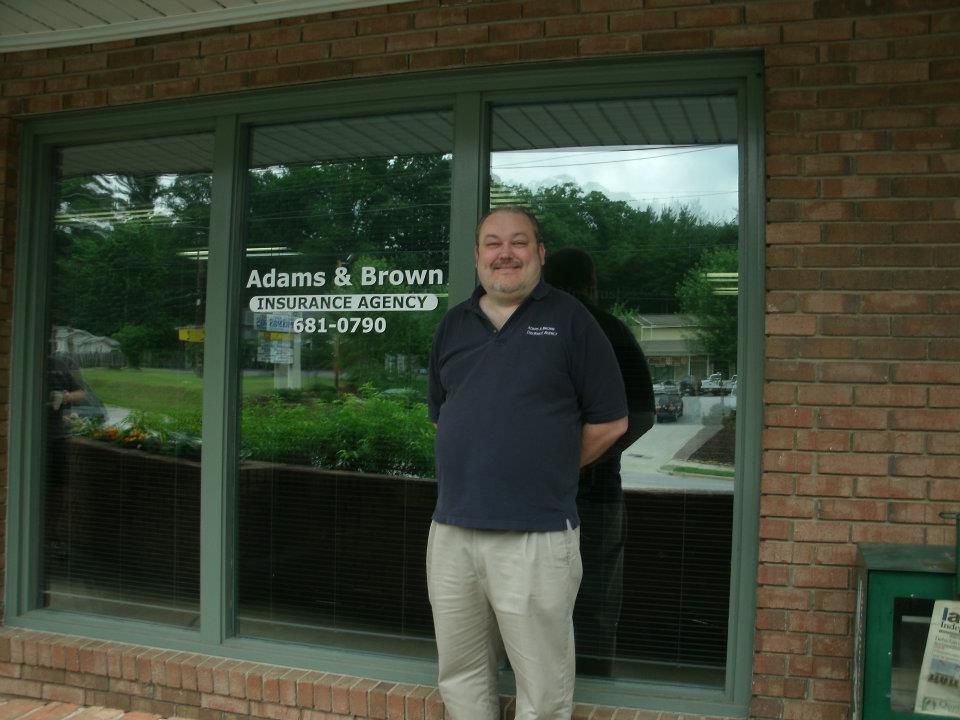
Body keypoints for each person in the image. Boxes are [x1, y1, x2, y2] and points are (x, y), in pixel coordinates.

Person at [426, 206, 628, 720]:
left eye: (519, 242)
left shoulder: (570, 321)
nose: (505, 253)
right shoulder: (454, 325)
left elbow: (611, 421)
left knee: (543, 686)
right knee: (461, 674)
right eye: (493, 243)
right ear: (477, 257)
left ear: (539, 254)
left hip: (536, 536)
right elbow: (443, 416)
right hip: (452, 533)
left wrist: (550, 468)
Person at [543, 247, 655, 676]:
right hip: (592, 495)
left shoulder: (549, 328)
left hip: (573, 495)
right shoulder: (611, 330)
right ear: (592, 283)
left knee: (534, 603)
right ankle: (591, 689)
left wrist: (576, 460)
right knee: (593, 605)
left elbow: (639, 415)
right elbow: (642, 415)